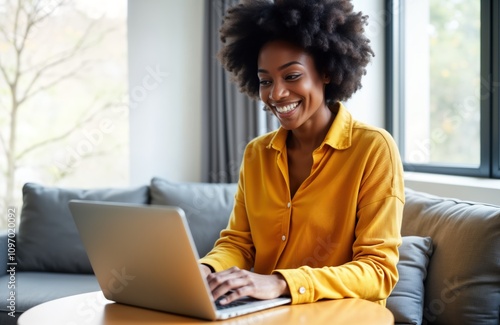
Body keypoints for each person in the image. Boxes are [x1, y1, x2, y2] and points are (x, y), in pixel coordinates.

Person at [199, 0, 404, 307]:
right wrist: (205, 270)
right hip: (271, 314)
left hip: (340, 315)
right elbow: (239, 243)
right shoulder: (257, 154)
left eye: (291, 76)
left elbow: (378, 272)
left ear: (326, 73)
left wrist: (282, 282)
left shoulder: (373, 149)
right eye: (265, 81)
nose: (276, 94)